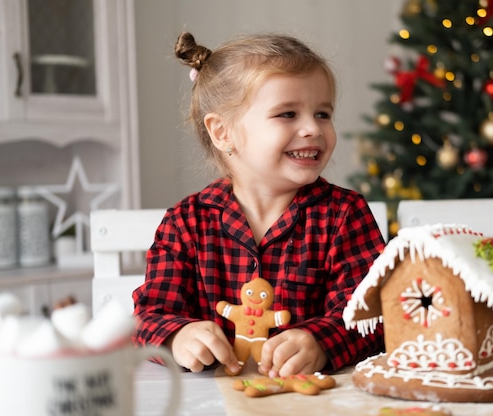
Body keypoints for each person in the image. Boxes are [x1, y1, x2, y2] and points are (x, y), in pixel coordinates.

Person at [132, 31, 385, 378]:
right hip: (212, 402)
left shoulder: (344, 215)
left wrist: (321, 342)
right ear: (223, 132)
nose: (313, 128)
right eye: (288, 114)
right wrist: (177, 337)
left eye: (323, 114)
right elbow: (149, 316)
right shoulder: (185, 223)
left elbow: (375, 315)